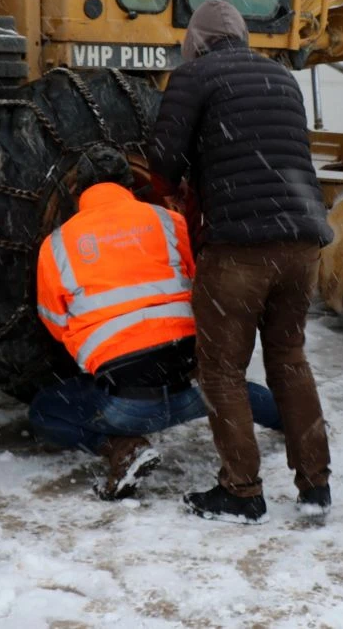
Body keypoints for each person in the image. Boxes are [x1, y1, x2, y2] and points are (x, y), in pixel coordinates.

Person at [147, 0, 335, 523]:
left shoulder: (193, 76)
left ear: (196, 42)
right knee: (289, 357)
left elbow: (163, 158)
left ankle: (242, 491)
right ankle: (315, 483)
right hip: (301, 242)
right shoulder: (281, 79)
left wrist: (170, 188)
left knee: (223, 371)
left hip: (238, 247)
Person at [29, 145, 283, 500]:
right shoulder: (168, 221)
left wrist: (97, 346)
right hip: (193, 385)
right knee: (238, 391)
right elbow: (200, 283)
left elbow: (54, 321)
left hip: (125, 403)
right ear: (129, 183)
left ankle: (121, 447)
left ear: (77, 191)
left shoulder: (55, 246)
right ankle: (294, 421)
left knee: (44, 410)